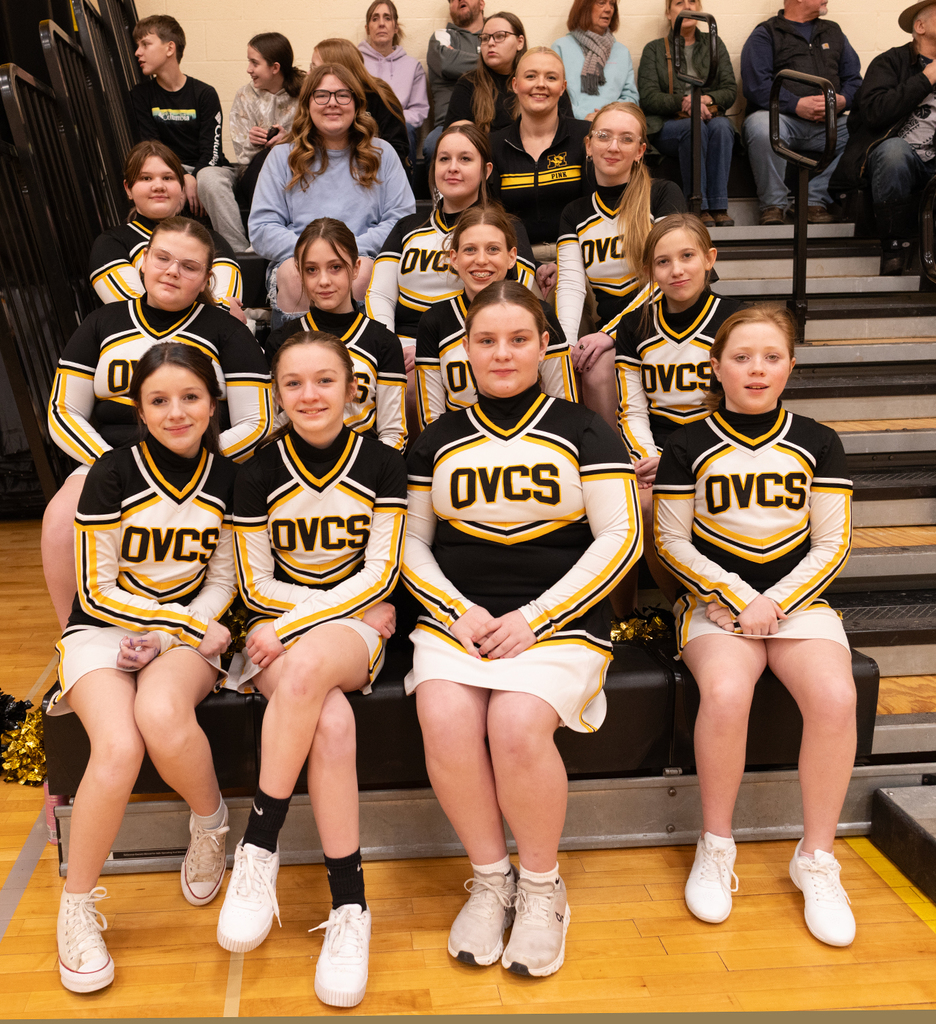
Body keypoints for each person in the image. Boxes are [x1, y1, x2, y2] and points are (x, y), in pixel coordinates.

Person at [402, 280, 641, 977]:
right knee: (443, 715)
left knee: (513, 724)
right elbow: (410, 544)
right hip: (462, 620)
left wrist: (537, 619)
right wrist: (459, 613)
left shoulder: (586, 430)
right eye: (486, 340)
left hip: (558, 623)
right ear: (465, 352)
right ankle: (490, 878)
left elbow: (621, 538)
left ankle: (541, 888)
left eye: (517, 339)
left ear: (545, 346)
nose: (501, 352)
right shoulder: (436, 440)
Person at [654, 304, 858, 948]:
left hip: (800, 606)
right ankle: (716, 845)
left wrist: (777, 603)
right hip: (715, 607)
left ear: (791, 365)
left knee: (836, 696)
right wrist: (738, 596)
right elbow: (671, 540)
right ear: (716, 366)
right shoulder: (688, 442)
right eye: (741, 357)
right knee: (725, 692)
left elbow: (833, 544)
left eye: (771, 356)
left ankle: (816, 858)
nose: (757, 369)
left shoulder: (819, 440)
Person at [217, 331, 407, 1008]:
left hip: (329, 634)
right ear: (276, 394)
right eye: (293, 382)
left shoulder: (385, 465)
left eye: (324, 380)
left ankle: (258, 847)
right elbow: (253, 580)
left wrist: (295, 624)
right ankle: (351, 906)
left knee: (305, 676)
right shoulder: (256, 471)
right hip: (277, 626)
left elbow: (383, 571)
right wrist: (294, 618)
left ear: (354, 388)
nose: (309, 394)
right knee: (328, 722)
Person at [49, 342, 238, 994]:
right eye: (159, 400)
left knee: (159, 713)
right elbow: (95, 591)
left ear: (213, 403)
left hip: (179, 637)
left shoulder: (228, 477)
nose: (176, 412)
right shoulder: (108, 473)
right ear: (139, 409)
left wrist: (170, 635)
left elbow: (223, 582)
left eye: (190, 397)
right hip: (104, 630)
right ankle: (75, 907)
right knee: (119, 744)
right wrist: (165, 626)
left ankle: (211, 824)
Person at [46, 217, 273, 629]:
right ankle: (74, 634)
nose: (172, 271)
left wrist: (200, 460)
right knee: (61, 518)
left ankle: (197, 625)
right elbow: (63, 412)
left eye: (189, 266)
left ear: (206, 278)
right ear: (143, 262)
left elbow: (258, 421)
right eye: (162, 258)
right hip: (110, 458)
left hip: (200, 463)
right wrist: (115, 468)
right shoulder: (102, 323)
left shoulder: (226, 331)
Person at [612, 213, 742, 612]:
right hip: (658, 447)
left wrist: (679, 461)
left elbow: (743, 402)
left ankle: (717, 604)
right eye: (663, 261)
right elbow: (633, 410)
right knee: (636, 503)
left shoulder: (735, 318)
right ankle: (663, 610)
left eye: (687, 256)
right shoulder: (635, 324)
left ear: (709, 258)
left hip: (724, 444)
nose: (676, 270)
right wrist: (650, 457)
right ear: (650, 269)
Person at [248, 62, 416, 322]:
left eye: (343, 95)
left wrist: (344, 254)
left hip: (361, 258)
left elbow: (401, 221)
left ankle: (363, 357)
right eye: (322, 95)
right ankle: (296, 358)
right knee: (295, 274)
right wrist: (315, 255)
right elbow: (262, 227)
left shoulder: (382, 154)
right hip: (299, 259)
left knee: (363, 273)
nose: (332, 103)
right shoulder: (282, 157)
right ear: (307, 104)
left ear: (357, 104)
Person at [556, 102, 685, 425]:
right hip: (610, 330)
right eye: (604, 136)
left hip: (667, 322)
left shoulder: (663, 194)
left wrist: (611, 333)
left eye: (626, 139)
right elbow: (571, 285)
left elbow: (670, 277)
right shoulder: (574, 212)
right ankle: (615, 465)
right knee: (587, 368)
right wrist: (565, 346)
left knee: (601, 367)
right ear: (588, 145)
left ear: (640, 150)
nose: (613, 147)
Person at [366, 124, 536, 366]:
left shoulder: (507, 228)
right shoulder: (407, 227)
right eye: (444, 159)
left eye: (465, 159)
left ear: (486, 170)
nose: (452, 168)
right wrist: (388, 346)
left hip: (470, 344)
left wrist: (432, 349)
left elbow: (518, 299)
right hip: (402, 345)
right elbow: (380, 294)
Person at [416, 204, 576, 427]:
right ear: (454, 258)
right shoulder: (434, 321)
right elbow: (431, 422)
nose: (481, 260)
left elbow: (564, 406)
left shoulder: (541, 314)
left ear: (512, 257)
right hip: (461, 447)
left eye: (493, 249)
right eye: (470, 249)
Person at [265, 218, 408, 451]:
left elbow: (393, 432)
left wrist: (374, 472)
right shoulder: (281, 342)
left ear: (356, 269)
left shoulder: (382, 341)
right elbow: (274, 427)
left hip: (365, 471)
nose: (324, 281)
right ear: (300, 273)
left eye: (336, 267)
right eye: (312, 270)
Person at [832, 1, 936, 274]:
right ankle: (894, 247)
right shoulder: (890, 62)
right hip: (898, 158)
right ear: (920, 27)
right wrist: (926, 78)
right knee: (894, 152)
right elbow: (874, 113)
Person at [740, 0, 861, 225]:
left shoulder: (833, 32)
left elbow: (854, 80)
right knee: (759, 125)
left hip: (829, 124)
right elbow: (756, 86)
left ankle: (813, 200)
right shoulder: (766, 33)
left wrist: (842, 101)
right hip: (783, 120)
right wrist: (796, 104)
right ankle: (774, 205)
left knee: (867, 130)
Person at [90, 141, 243, 314]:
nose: (159, 186)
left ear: (182, 187)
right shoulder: (111, 244)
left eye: (168, 178)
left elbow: (225, 312)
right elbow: (134, 313)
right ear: (128, 189)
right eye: (146, 178)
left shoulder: (213, 241)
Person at [488, 46, 594, 282]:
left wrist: (565, 264)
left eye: (551, 77)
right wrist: (530, 265)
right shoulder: (493, 144)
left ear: (563, 87)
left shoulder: (585, 136)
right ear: (515, 85)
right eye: (531, 76)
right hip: (514, 259)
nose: (541, 84)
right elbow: (494, 218)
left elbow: (593, 210)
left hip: (579, 255)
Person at [196, 32, 304, 254]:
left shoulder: (305, 95)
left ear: (275, 67)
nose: (248, 69)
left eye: (254, 63)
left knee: (272, 157)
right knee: (210, 176)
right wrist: (253, 143)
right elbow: (242, 157)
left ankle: (274, 235)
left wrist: (289, 140)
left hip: (294, 171)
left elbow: (317, 141)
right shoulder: (245, 95)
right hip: (251, 172)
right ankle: (238, 250)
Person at [637, 0, 737, 227]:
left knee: (724, 128)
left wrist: (705, 99)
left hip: (708, 117)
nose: (687, 6)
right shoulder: (654, 49)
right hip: (668, 123)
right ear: (668, 13)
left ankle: (719, 206)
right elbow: (649, 97)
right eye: (679, 2)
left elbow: (730, 90)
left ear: (700, 9)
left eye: (693, 1)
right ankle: (696, 205)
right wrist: (684, 102)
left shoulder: (715, 44)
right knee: (693, 128)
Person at [130, 15, 229, 217]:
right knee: (165, 184)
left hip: (210, 168)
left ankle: (236, 248)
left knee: (209, 180)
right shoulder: (141, 95)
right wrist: (181, 175)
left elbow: (212, 150)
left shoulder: (204, 93)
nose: (137, 52)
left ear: (170, 48)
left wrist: (195, 177)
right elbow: (152, 146)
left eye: (145, 44)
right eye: (137, 46)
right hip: (170, 168)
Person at [445, 13, 574, 133]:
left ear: (520, 42)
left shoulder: (543, 83)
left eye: (500, 36)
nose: (490, 43)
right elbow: (453, 137)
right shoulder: (468, 83)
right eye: (485, 38)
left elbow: (569, 130)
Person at [312, 38, 411, 169]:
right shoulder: (314, 99)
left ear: (336, 69)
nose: (309, 74)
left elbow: (397, 151)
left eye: (315, 69)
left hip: (375, 172)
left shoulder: (380, 96)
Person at [359, 1, 430, 166]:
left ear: (395, 27)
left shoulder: (412, 66)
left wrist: (390, 119)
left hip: (400, 127)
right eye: (375, 18)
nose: (381, 23)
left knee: (405, 129)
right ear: (367, 28)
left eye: (387, 18)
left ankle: (405, 188)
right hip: (364, 124)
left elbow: (418, 110)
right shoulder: (356, 62)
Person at [552, 0, 639, 122]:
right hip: (572, 124)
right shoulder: (561, 47)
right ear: (584, 7)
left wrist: (607, 114)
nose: (609, 9)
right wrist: (582, 116)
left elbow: (631, 97)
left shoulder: (622, 52)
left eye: (612, 4)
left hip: (613, 124)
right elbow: (553, 94)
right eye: (601, 2)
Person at [425, 0, 486, 158]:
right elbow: (446, 62)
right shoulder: (443, 35)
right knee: (433, 145)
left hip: (490, 120)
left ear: (481, 3)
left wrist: (460, 61)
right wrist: (491, 63)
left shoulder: (492, 36)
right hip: (448, 124)